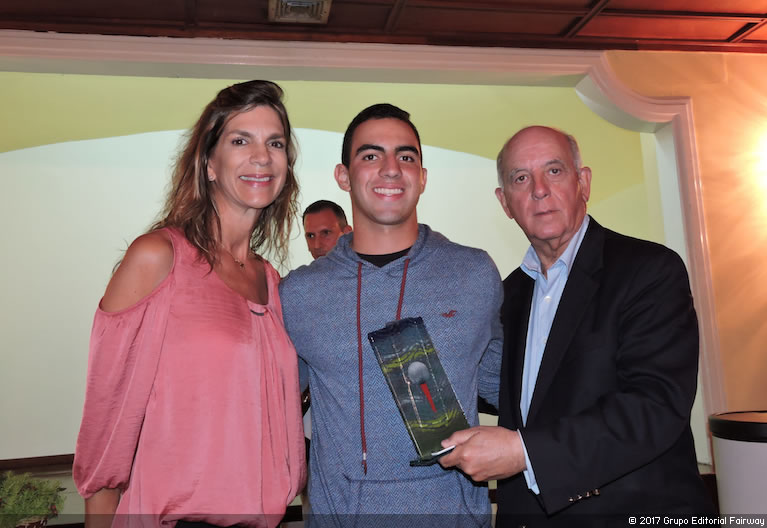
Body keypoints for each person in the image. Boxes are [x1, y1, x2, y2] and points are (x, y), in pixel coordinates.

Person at [439, 126, 713, 526]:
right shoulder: (506, 295)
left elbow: (654, 406)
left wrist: (523, 453)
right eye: (521, 178)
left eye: (554, 171)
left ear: (583, 182)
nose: (539, 190)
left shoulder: (649, 270)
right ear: (505, 202)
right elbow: (512, 393)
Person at [73, 80, 306, 528]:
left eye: (275, 143)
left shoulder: (270, 281)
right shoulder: (158, 257)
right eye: (241, 141)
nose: (262, 156)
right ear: (209, 164)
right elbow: (108, 427)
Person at [279, 103, 503, 527]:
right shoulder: (299, 294)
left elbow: (515, 389)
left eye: (406, 156)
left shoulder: (474, 274)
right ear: (343, 176)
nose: (390, 169)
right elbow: (268, 403)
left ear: (422, 176)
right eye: (371, 155)